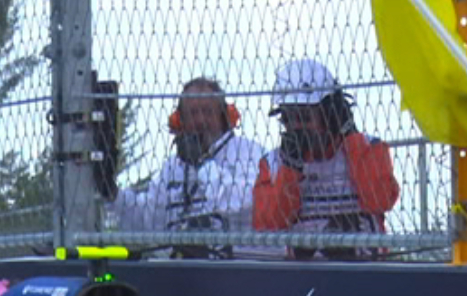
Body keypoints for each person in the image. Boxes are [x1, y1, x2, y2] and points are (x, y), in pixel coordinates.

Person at [251, 58, 400, 257]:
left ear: (331, 113)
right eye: (289, 118)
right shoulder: (273, 163)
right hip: (304, 275)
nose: (297, 127)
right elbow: (268, 223)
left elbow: (380, 201)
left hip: (366, 270)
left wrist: (350, 137)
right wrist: (290, 167)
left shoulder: (368, 148)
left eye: (305, 118)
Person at [114, 77, 265, 256]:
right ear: (180, 120)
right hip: (178, 267)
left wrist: (202, 165)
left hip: (234, 266)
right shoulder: (172, 166)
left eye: (207, 112)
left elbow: (242, 204)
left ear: (224, 116)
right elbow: (148, 219)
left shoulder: (249, 153)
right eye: (193, 113)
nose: (200, 120)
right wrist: (113, 195)